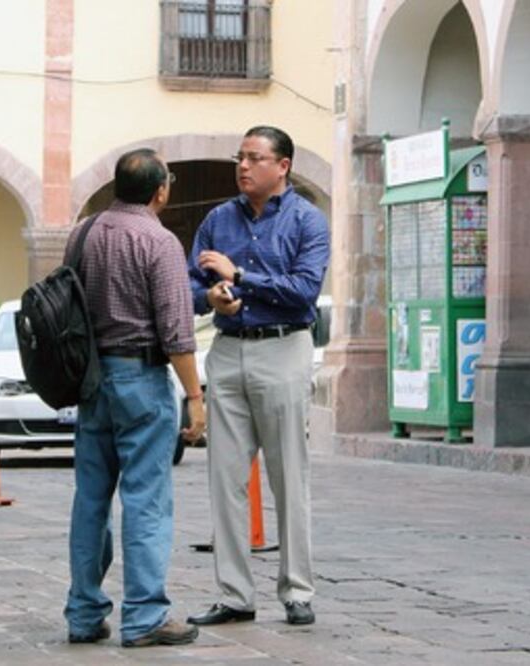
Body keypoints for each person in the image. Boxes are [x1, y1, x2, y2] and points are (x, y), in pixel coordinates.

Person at [187, 126, 329, 627]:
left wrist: (241, 276)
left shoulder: (307, 221)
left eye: (255, 158)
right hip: (227, 350)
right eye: (239, 158)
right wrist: (211, 297)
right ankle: (234, 594)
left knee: (289, 473)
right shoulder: (217, 219)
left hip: (284, 348)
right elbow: (189, 284)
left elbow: (304, 291)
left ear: (283, 166)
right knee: (223, 477)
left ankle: (297, 590)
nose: (243, 167)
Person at [63, 148, 205, 648]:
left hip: (91, 380)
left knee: (91, 499)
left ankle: (83, 613)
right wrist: (195, 396)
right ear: (160, 191)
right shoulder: (158, 241)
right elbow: (176, 331)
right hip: (140, 378)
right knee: (146, 498)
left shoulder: (82, 232)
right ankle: (144, 616)